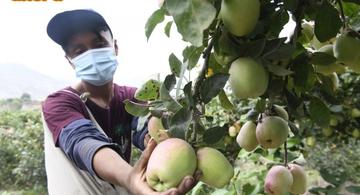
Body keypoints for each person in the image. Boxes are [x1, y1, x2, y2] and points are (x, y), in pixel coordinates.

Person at [42, 9, 197, 195]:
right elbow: (83, 142)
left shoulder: (132, 98)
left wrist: (163, 137)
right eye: (80, 51)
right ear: (70, 60)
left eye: (99, 44)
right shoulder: (59, 103)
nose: (91, 55)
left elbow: (146, 130)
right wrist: (130, 178)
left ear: (114, 47)